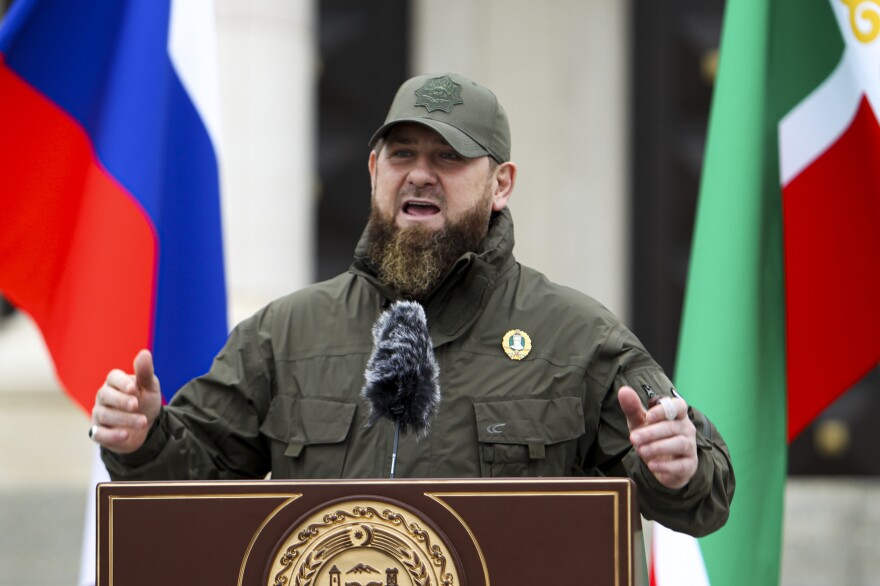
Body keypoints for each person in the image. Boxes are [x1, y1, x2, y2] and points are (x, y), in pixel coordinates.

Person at [90, 72, 734, 537]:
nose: (420, 173)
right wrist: (143, 439)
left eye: (449, 157)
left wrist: (678, 465)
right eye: (403, 154)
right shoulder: (283, 334)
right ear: (374, 170)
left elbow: (704, 497)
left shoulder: (576, 334)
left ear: (501, 184)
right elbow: (188, 484)